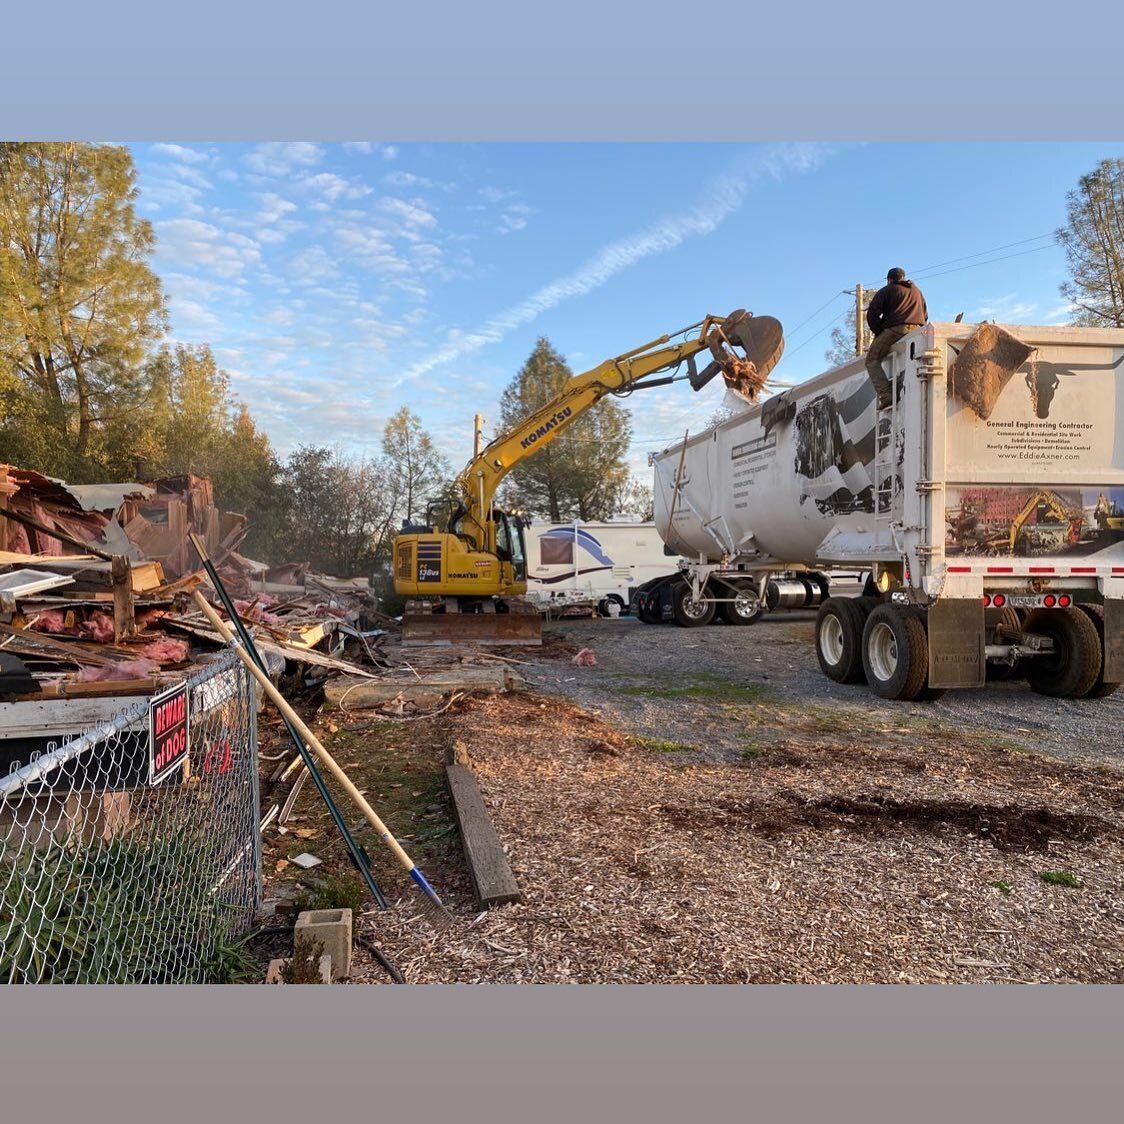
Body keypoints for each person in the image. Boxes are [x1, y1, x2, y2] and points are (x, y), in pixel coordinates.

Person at [865, 267, 928, 409]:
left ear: (889, 280)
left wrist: (879, 331)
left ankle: (887, 396)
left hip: (896, 329)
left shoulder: (887, 290)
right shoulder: (917, 291)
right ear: (903, 277)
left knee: (871, 360)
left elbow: (872, 315)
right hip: (917, 330)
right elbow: (925, 314)